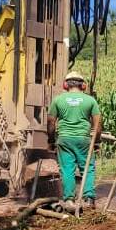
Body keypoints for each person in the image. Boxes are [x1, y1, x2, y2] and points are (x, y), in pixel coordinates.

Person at [46, 71, 101, 208]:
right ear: (83, 85)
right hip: (84, 140)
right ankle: (89, 199)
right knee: (87, 169)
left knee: (67, 170)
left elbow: (51, 123)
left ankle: (69, 200)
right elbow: (98, 125)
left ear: (65, 85)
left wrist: (51, 141)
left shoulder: (58, 100)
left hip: (65, 140)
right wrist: (97, 142)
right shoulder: (90, 101)